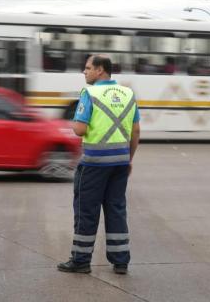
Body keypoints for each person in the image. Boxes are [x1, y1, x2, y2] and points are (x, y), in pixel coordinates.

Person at [57, 54, 140, 275]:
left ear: (100, 70)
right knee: (116, 210)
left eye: (87, 68)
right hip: (120, 163)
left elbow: (80, 129)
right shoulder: (128, 94)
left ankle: (81, 260)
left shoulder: (89, 93)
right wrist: (128, 160)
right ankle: (121, 261)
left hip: (94, 164)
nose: (84, 72)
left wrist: (75, 123)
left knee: (87, 211)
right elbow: (136, 132)